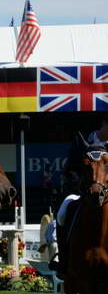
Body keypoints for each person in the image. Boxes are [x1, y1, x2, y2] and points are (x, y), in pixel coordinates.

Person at [52, 114, 108, 276]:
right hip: (82, 193)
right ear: (104, 124)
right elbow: (70, 168)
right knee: (62, 213)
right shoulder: (81, 142)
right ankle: (63, 260)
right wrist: (83, 185)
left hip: (107, 192)